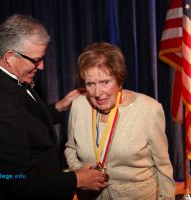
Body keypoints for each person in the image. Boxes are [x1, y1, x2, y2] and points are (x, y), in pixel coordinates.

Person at [0, 14, 108, 200]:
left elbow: (25, 123)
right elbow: (19, 182)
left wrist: (59, 106)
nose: (42, 66)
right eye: (36, 60)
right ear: (11, 57)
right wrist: (77, 179)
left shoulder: (12, 80)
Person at [65, 42, 176, 199]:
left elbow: (163, 166)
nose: (97, 93)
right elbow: (70, 148)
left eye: (105, 82)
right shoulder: (78, 106)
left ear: (119, 80)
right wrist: (80, 172)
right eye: (90, 84)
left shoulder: (149, 110)